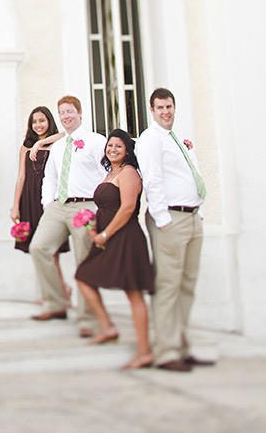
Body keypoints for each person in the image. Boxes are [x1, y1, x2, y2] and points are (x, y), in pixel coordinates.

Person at [136, 88, 211, 372]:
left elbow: (190, 176)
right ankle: (166, 352)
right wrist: (163, 219)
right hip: (170, 220)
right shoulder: (150, 139)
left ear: (174, 108)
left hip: (191, 218)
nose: (165, 111)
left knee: (187, 285)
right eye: (160, 107)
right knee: (168, 285)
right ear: (152, 110)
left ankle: (181, 346)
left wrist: (198, 211)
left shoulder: (176, 139)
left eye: (169, 106)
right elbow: (152, 180)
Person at [74, 129, 154, 370]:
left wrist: (105, 233)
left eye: (119, 146)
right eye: (110, 145)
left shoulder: (128, 173)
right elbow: (108, 206)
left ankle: (143, 351)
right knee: (84, 276)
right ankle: (107, 326)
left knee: (133, 293)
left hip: (125, 237)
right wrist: (92, 225)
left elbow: (128, 208)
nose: (113, 149)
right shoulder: (111, 173)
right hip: (106, 237)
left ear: (128, 150)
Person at [28, 96, 106, 338]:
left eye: (70, 111)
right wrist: (47, 205)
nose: (66, 116)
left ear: (80, 113)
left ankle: (88, 318)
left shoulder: (95, 141)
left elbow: (108, 174)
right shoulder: (58, 146)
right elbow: (50, 177)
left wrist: (99, 207)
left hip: (85, 207)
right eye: (62, 113)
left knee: (85, 262)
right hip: (58, 206)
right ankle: (55, 304)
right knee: (39, 247)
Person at [9, 106, 71, 302]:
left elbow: (65, 133)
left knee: (52, 250)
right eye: (34, 122)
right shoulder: (26, 146)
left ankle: (61, 289)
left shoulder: (57, 143)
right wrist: (15, 205)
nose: (38, 125)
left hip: (49, 199)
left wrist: (42, 143)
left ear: (49, 121)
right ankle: (53, 291)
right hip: (29, 197)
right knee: (37, 249)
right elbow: (21, 177)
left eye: (42, 120)